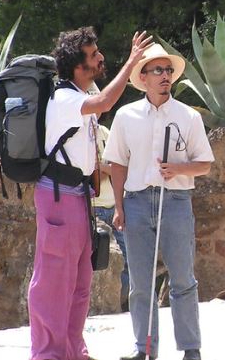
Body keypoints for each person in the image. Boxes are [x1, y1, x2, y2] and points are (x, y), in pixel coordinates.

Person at [28, 27, 152, 360]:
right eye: (94, 55)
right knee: (54, 279)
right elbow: (107, 101)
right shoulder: (66, 98)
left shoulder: (80, 95)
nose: (100, 58)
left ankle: (72, 351)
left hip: (77, 196)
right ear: (77, 65)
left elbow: (100, 107)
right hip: (58, 194)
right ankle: (47, 354)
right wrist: (132, 62)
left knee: (80, 281)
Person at [104, 43, 214, 360]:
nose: (165, 76)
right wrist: (120, 207)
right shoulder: (126, 115)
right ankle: (145, 349)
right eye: (158, 70)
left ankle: (191, 349)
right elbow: (118, 164)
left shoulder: (188, 116)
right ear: (144, 76)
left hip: (176, 200)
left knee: (183, 279)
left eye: (168, 70)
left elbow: (204, 163)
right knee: (140, 282)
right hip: (137, 201)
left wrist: (179, 168)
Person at [94, 122, 130, 311]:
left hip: (114, 205)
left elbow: (120, 166)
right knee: (100, 262)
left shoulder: (104, 132)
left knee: (127, 259)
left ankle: (121, 302)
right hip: (93, 208)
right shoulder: (75, 130)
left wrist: (102, 167)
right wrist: (105, 168)